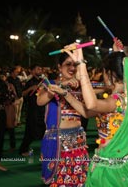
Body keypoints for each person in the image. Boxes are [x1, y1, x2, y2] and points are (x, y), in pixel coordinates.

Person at [57, 42, 128, 186]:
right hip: (125, 157)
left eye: (104, 72)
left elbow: (91, 104)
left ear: (110, 74)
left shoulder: (115, 101)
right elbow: (87, 112)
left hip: (111, 163)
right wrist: (66, 94)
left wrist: (81, 64)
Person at [37, 53, 90, 186]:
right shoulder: (50, 84)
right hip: (58, 143)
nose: (72, 67)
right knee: (59, 181)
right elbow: (40, 101)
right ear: (59, 67)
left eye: (75, 64)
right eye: (68, 64)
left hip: (78, 141)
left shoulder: (80, 86)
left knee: (79, 181)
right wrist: (62, 85)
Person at [19, 64, 45, 156]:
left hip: (41, 108)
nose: (40, 70)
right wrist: (31, 88)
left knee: (44, 130)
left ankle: (45, 150)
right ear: (32, 71)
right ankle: (22, 150)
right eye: (38, 68)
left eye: (41, 68)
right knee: (30, 130)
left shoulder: (42, 81)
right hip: (32, 109)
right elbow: (22, 94)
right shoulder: (29, 82)